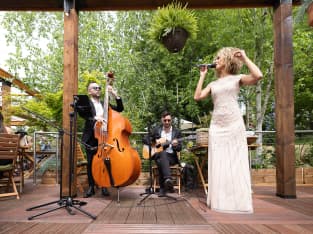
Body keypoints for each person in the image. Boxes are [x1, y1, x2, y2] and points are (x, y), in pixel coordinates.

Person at [194, 47, 263, 213]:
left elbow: (258, 76)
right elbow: (197, 97)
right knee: (218, 162)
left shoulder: (237, 79)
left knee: (235, 162)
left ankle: (237, 202)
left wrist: (245, 57)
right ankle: (220, 201)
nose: (216, 61)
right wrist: (202, 76)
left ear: (226, 61)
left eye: (218, 58)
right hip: (217, 127)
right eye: (215, 58)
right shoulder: (213, 83)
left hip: (234, 124)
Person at [80, 80, 124, 198]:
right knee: (90, 163)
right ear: (89, 91)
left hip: (105, 137)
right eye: (95, 88)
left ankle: (104, 185)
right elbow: (84, 114)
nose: (98, 89)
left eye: (99, 88)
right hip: (91, 137)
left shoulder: (106, 104)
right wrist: (96, 118)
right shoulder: (88, 103)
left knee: (104, 162)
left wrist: (115, 94)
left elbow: (120, 109)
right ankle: (91, 187)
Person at [144, 111, 182, 197]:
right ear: (162, 120)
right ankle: (168, 180)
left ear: (171, 120)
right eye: (165, 120)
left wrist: (176, 145)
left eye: (169, 120)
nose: (167, 122)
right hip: (158, 155)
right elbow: (145, 139)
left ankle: (162, 188)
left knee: (161, 160)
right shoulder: (157, 130)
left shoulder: (176, 132)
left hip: (171, 157)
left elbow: (180, 148)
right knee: (162, 153)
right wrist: (154, 141)